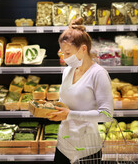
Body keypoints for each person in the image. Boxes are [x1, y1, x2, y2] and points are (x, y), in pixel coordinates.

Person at [48, 17, 113, 164]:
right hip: (63, 146)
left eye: (68, 53)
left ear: (83, 49)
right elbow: (65, 104)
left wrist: (70, 114)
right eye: (63, 53)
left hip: (87, 150)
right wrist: (51, 109)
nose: (65, 58)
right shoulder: (67, 72)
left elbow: (106, 114)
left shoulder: (98, 74)